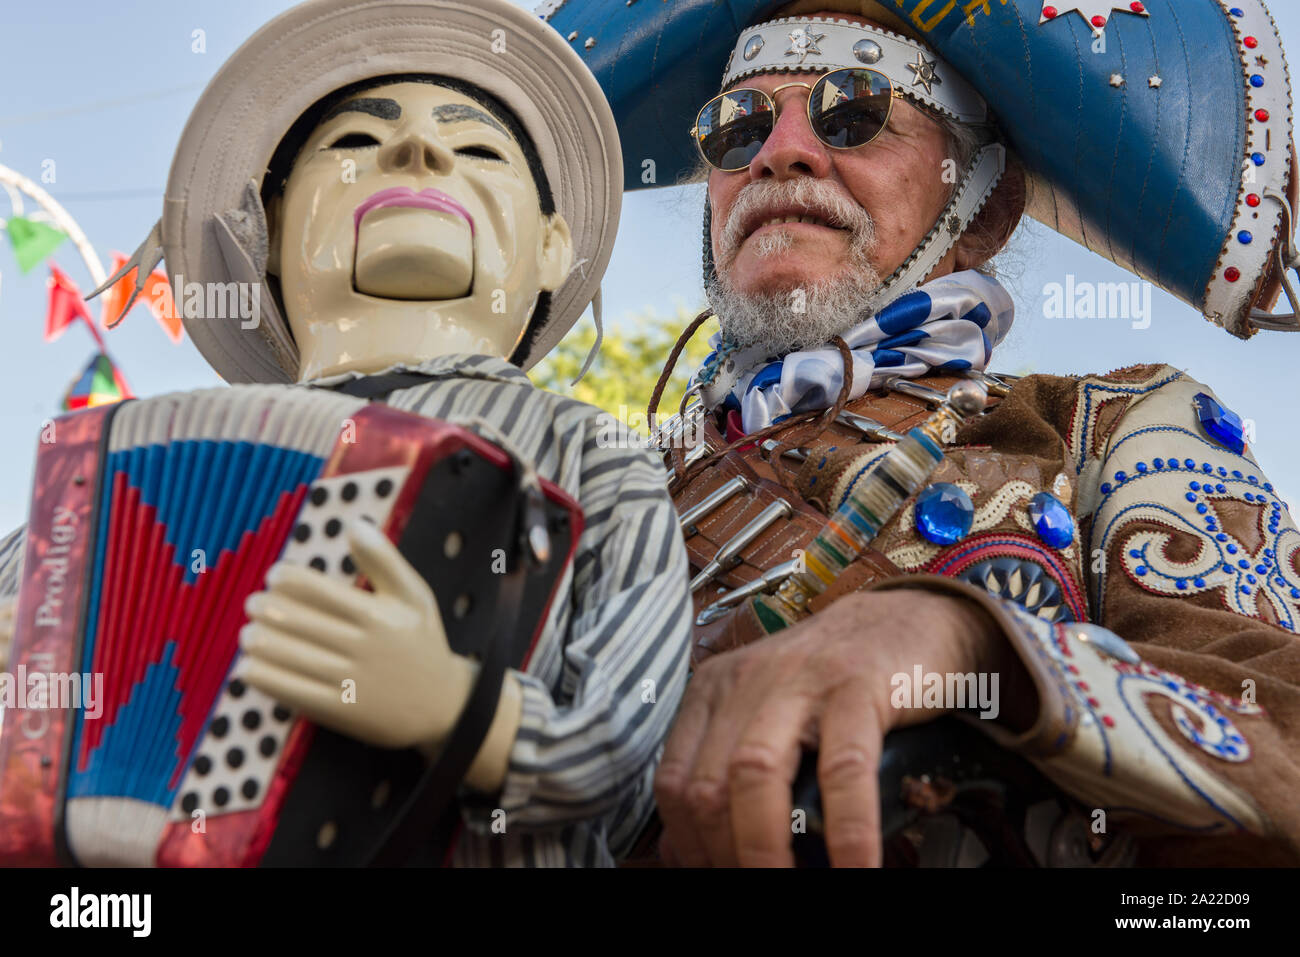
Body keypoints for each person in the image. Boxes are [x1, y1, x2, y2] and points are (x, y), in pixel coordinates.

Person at [548, 0, 1300, 866]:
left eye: (856, 112)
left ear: (981, 209)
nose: (777, 152)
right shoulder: (593, 494)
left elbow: (1277, 719)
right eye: (735, 128)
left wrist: (973, 642)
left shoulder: (1112, 422)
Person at [0, 0, 692, 867]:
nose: (417, 153)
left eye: (476, 148)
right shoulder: (92, 484)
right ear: (271, 231)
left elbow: (626, 749)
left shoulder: (592, 453)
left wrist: (459, 711)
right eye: (355, 143)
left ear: (553, 249)